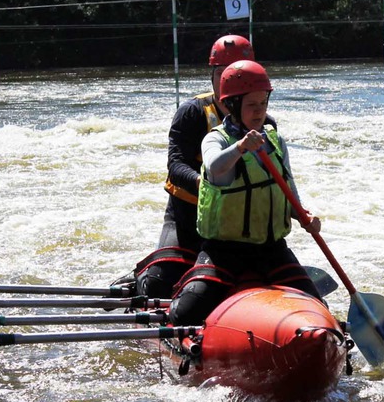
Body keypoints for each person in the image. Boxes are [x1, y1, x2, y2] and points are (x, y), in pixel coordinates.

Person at [168, 60, 323, 326]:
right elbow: (214, 169)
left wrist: (302, 215)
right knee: (186, 315)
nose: (260, 111)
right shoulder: (215, 139)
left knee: (319, 306)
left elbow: (288, 184)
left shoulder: (274, 140)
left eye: (263, 103)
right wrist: (240, 147)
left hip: (270, 249)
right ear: (233, 106)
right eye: (252, 105)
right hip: (225, 251)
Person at [133, 34, 260, 298]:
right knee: (160, 285)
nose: (229, 87)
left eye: (238, 80)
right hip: (187, 218)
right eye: (222, 76)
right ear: (213, 76)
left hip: (232, 224)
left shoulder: (262, 119)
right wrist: (206, 185)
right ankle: (142, 279)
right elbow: (175, 166)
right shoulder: (192, 112)